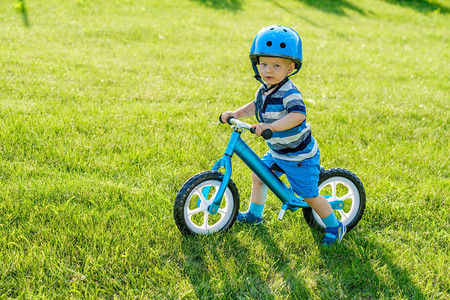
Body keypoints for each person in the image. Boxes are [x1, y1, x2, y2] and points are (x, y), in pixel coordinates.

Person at [220, 25, 346, 246]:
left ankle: (335, 226)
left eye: (276, 65)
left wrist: (273, 127)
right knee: (259, 175)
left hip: (299, 156)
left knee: (309, 195)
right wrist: (236, 114)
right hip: (279, 151)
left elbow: (298, 115)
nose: (268, 70)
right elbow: (255, 106)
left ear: (290, 68)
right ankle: (255, 215)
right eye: (264, 64)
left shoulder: (289, 92)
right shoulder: (264, 88)